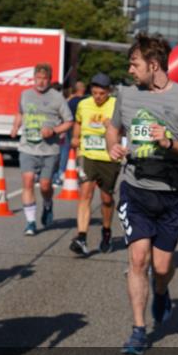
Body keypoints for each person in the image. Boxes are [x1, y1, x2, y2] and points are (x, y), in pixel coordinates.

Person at [105, 33, 178, 355]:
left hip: (172, 194)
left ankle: (162, 291)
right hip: (136, 190)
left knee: (161, 268)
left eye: (135, 64)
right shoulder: (126, 94)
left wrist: (169, 143)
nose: (130, 70)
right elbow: (113, 127)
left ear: (154, 64)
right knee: (138, 259)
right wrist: (112, 146)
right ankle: (138, 330)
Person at [10, 63, 72, 236]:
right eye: (38, 78)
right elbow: (20, 112)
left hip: (49, 150)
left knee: (45, 186)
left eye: (45, 79)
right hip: (27, 147)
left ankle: (47, 204)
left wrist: (54, 131)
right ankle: (30, 222)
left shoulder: (57, 98)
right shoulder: (25, 94)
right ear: (34, 77)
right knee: (28, 181)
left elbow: (68, 121)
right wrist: (15, 127)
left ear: (50, 80)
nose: (41, 82)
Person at [68, 73, 118, 255]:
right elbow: (78, 122)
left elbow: (124, 130)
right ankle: (81, 236)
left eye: (101, 94)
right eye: (95, 93)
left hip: (109, 157)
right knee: (85, 194)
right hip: (87, 155)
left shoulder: (115, 106)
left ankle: (106, 231)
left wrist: (111, 126)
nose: (97, 97)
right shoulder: (83, 104)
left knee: (106, 198)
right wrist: (75, 137)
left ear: (109, 92)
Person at [53, 79, 86, 186]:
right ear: (83, 89)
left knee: (65, 151)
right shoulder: (85, 102)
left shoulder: (70, 101)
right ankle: (77, 172)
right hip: (80, 129)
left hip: (68, 128)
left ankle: (62, 172)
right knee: (74, 151)